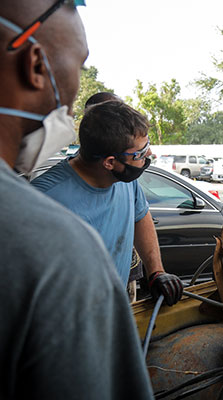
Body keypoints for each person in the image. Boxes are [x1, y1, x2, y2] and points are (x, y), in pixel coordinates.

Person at [0, 0, 153, 398]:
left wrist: (155, 271)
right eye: (79, 64)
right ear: (35, 65)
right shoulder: (52, 244)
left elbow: (141, 218)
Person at [32, 100, 183, 306]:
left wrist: (156, 271)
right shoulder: (44, 201)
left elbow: (140, 217)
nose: (148, 155)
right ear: (110, 162)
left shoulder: (124, 179)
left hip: (112, 308)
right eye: (140, 153)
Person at [84, 91, 143, 302]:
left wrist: (157, 271)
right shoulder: (52, 193)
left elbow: (141, 216)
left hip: (125, 280)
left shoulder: (126, 174)